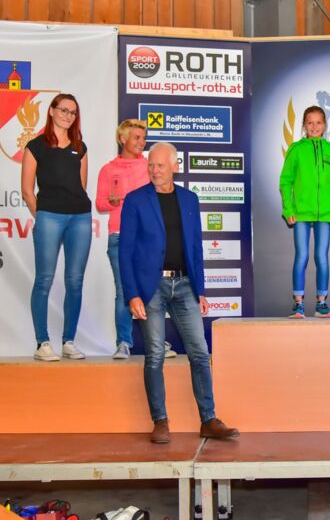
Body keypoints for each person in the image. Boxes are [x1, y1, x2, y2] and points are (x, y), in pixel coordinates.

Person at [119, 142, 238, 443]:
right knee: (155, 355)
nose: (155, 170)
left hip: (185, 285)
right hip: (151, 288)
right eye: (151, 165)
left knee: (200, 353)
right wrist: (132, 294)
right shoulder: (135, 200)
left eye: (160, 165)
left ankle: (208, 420)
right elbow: (125, 251)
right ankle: (160, 421)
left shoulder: (189, 199)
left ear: (175, 166)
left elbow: (196, 247)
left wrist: (201, 289)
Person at [96, 120, 177, 360]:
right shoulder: (108, 169)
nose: (142, 143)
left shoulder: (150, 166)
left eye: (144, 138)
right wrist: (111, 201)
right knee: (124, 291)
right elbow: (99, 203)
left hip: (147, 239)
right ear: (123, 139)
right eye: (137, 138)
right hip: (119, 236)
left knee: (154, 290)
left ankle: (157, 342)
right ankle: (123, 342)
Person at [21, 93, 91, 362]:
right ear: (51, 111)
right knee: (44, 279)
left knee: (75, 281)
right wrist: (43, 216)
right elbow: (27, 191)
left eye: (72, 112)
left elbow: (81, 186)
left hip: (80, 218)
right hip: (49, 216)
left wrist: (72, 211)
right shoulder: (35, 146)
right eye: (63, 110)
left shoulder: (80, 147)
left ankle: (69, 341)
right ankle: (42, 343)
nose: (68, 116)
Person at [279, 106, 330, 319]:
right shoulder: (296, 149)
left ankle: (321, 303)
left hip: (325, 214)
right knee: (302, 256)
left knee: (322, 257)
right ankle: (298, 304)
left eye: (318, 122)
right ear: (304, 125)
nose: (314, 127)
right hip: (301, 214)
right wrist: (288, 208)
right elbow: (285, 181)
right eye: (310, 122)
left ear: (325, 125)